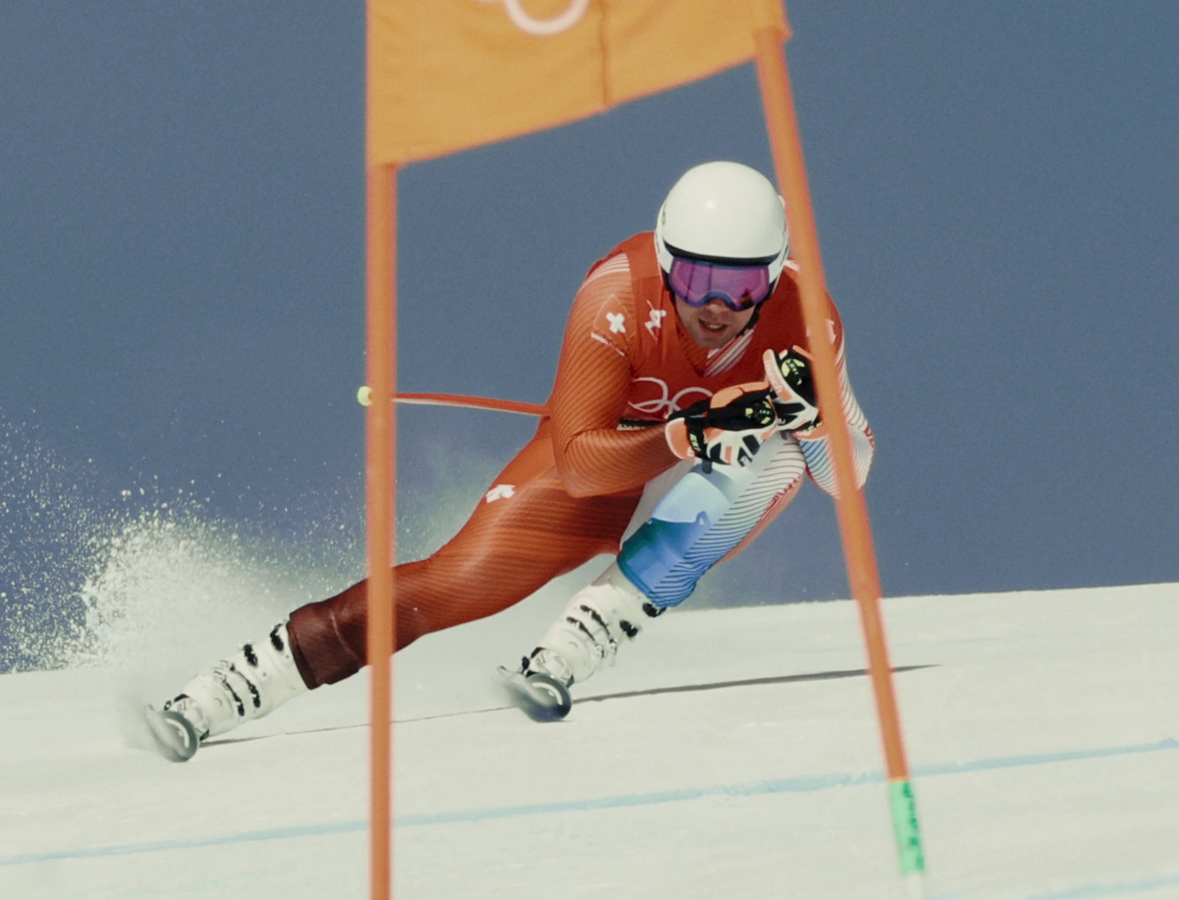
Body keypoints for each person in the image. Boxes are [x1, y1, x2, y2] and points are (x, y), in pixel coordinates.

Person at [145, 160, 874, 760]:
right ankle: (227, 690)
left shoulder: (810, 322)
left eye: (742, 287)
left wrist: (814, 421)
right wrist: (688, 432)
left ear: (775, 277)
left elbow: (851, 475)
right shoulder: (615, 297)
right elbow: (584, 467)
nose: (716, 307)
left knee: (781, 451)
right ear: (664, 264)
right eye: (694, 280)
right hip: (613, 445)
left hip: (724, 459)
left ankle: (582, 638)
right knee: (453, 582)